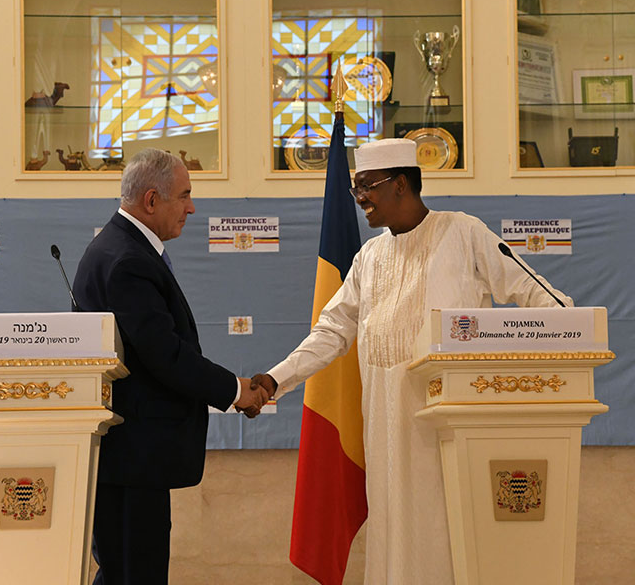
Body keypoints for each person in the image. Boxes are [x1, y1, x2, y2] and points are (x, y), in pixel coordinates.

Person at [251, 138, 572, 584]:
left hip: (448, 433)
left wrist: (560, 338)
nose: (360, 197)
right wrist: (273, 379)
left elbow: (546, 302)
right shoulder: (369, 256)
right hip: (384, 432)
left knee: (445, 540)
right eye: (355, 188)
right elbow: (330, 333)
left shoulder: (463, 232)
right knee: (393, 542)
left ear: (401, 184)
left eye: (367, 186)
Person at [72, 148, 268, 585]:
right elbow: (164, 355)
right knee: (134, 574)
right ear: (151, 200)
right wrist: (236, 391)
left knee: (123, 571)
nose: (192, 207)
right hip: (133, 456)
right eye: (184, 195)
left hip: (130, 456)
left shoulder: (123, 248)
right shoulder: (128, 261)